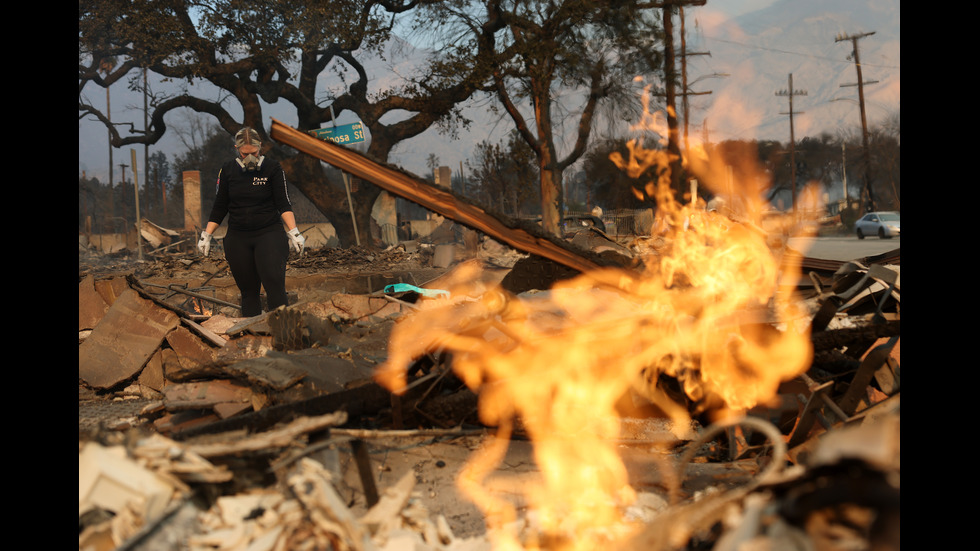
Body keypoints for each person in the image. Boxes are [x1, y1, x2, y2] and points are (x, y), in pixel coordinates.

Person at [197, 126, 306, 317]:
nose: (250, 157)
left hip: (268, 232)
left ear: (260, 147)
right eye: (244, 153)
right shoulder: (228, 170)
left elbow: (283, 203)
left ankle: (283, 333)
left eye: (254, 153)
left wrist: (294, 231)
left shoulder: (273, 168)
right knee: (248, 290)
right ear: (237, 149)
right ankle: (250, 336)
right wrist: (207, 235)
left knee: (274, 283)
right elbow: (220, 206)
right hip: (238, 236)